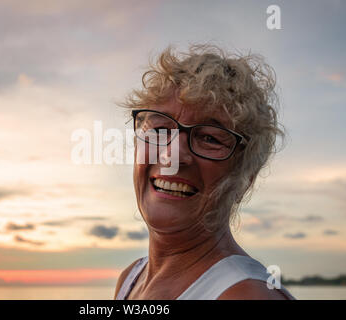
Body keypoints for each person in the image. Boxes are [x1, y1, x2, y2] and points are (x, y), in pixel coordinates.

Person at [114, 44, 295, 300]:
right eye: (160, 129)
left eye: (210, 138)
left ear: (245, 177)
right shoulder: (131, 279)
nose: (172, 155)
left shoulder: (244, 294)